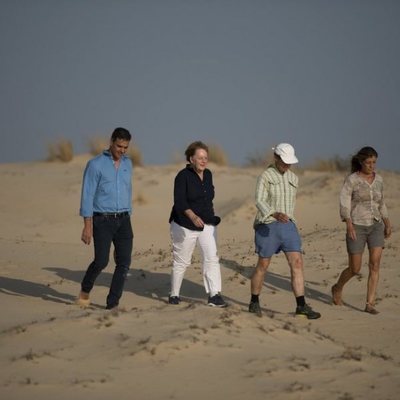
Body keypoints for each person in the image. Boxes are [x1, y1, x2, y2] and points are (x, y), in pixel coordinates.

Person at [248, 143, 321, 319]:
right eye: (284, 161)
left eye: (290, 162)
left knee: (297, 263)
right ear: (276, 158)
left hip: (289, 225)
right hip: (267, 225)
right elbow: (259, 200)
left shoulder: (294, 178)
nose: (287, 165)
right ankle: (254, 301)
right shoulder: (265, 175)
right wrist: (274, 212)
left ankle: (301, 306)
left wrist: (285, 216)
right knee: (263, 265)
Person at [76, 127, 134, 310]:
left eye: (125, 147)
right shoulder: (95, 164)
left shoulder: (128, 164)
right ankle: (85, 289)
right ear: (111, 141)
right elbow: (87, 196)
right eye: (119, 146)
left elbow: (128, 190)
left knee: (124, 263)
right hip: (102, 220)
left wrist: (129, 214)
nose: (122, 151)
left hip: (124, 220)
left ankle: (112, 303)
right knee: (101, 261)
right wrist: (87, 226)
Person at [332, 146, 391, 314]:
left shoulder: (379, 180)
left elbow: (382, 203)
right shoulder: (352, 180)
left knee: (375, 264)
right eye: (369, 162)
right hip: (357, 225)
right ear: (361, 162)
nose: (372, 166)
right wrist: (348, 223)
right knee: (355, 268)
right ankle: (337, 287)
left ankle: (369, 304)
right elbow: (344, 202)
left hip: (376, 225)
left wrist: (387, 222)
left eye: (374, 162)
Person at [168, 141, 227, 307]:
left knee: (211, 258)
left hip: (207, 223)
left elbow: (208, 198)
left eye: (206, 158)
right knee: (182, 261)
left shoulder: (208, 174)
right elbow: (179, 201)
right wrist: (192, 216)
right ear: (191, 159)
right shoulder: (182, 176)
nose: (203, 161)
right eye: (200, 158)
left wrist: (208, 219)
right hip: (184, 224)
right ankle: (174, 294)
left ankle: (214, 295)